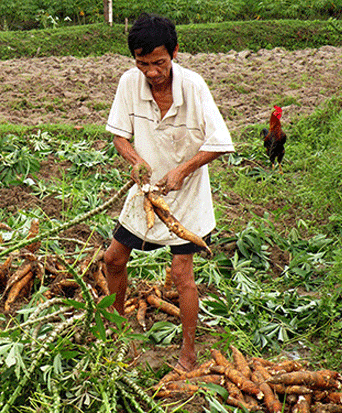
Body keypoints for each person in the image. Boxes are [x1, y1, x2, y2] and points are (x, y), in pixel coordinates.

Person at [103, 12, 235, 372]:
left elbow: (221, 143)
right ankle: (116, 336)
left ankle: (188, 352)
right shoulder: (129, 82)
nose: (151, 72)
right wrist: (134, 159)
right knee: (113, 259)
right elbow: (119, 135)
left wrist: (183, 169)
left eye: (158, 62)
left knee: (181, 273)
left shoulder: (193, 87)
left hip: (187, 194)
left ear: (174, 52)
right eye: (143, 63)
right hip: (146, 191)